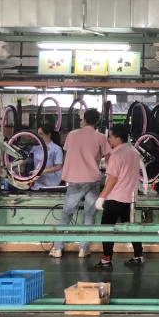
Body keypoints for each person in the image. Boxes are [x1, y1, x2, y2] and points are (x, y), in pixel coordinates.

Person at [50, 108, 111, 259]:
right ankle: (83, 248)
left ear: (84, 119)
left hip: (74, 179)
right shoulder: (101, 137)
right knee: (89, 214)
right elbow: (109, 157)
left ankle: (58, 248)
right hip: (92, 180)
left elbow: (67, 153)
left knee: (66, 213)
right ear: (97, 121)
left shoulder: (72, 135)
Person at [91, 123, 144, 270]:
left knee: (107, 229)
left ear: (118, 138)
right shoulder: (134, 154)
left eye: (111, 137)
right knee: (132, 229)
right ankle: (138, 255)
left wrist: (101, 197)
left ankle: (106, 259)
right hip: (130, 198)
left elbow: (113, 179)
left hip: (115, 198)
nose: (109, 139)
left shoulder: (116, 155)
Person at [31, 123, 64, 190]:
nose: (39, 137)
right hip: (37, 183)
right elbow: (28, 159)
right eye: (38, 134)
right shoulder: (36, 148)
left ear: (49, 134)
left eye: (41, 134)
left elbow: (58, 166)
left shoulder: (56, 149)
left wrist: (42, 171)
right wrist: (14, 164)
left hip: (51, 184)